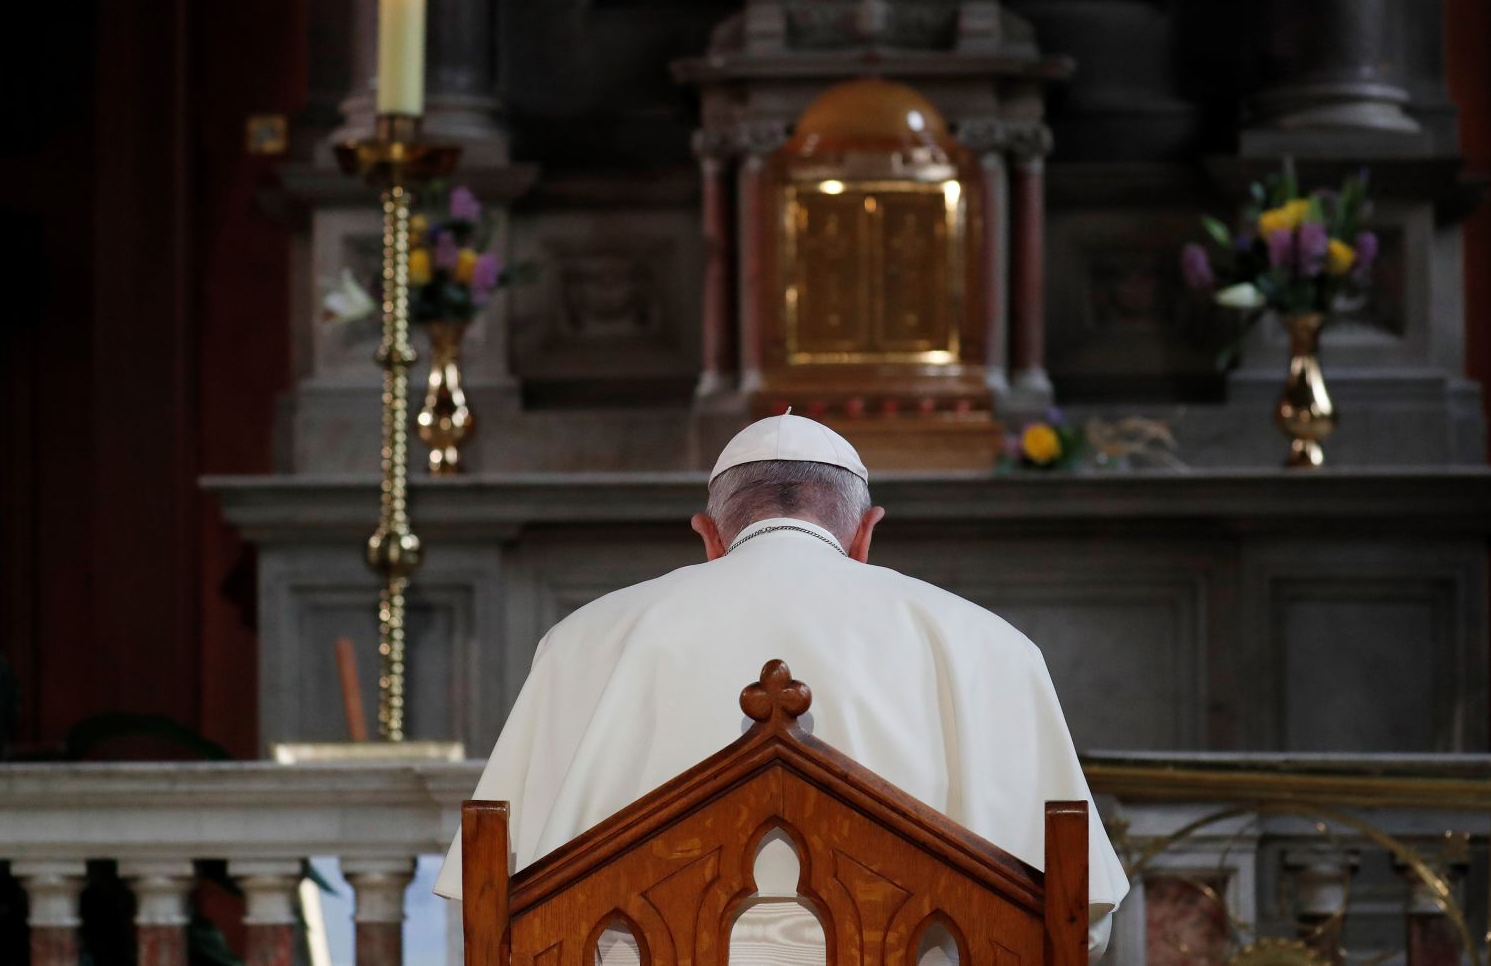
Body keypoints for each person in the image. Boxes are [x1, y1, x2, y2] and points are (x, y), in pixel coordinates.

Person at [435, 411, 1129, 961]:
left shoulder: (583, 641)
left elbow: (485, 915)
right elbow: (1079, 924)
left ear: (709, 535)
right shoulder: (991, 646)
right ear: (865, 533)